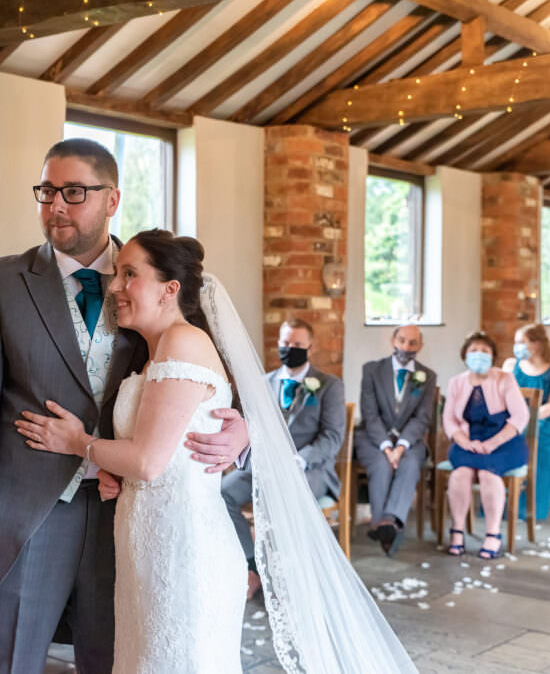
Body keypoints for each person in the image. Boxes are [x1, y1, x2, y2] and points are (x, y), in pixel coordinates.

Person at [21, 230, 416, 673]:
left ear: (170, 289)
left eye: (129, 274)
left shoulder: (182, 343)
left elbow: (149, 462)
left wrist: (79, 443)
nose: (114, 286)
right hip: (149, 543)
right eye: (117, 274)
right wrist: (116, 469)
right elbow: (158, 448)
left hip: (184, 549)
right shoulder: (150, 351)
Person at [0, 139, 249, 673]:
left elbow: (220, 379)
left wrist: (242, 433)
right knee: (3, 662)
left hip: (128, 519)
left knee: (118, 659)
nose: (55, 205)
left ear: (111, 199)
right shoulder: (2, 283)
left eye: (73, 192)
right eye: (46, 192)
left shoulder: (152, 286)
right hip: (30, 515)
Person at [221, 318, 345, 598]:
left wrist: (298, 461)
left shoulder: (329, 386)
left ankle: (289, 576)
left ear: (310, 348)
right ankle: (252, 566)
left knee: (280, 495)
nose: (290, 349)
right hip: (262, 468)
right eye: (285, 343)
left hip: (310, 469)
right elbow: (252, 431)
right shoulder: (262, 384)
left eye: (298, 345)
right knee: (221, 493)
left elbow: (332, 437)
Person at [443, 332, 529, 559]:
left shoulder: (505, 379)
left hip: (504, 442)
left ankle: (493, 534)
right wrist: (465, 442)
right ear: (465, 356)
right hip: (468, 441)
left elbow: (520, 417)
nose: (478, 355)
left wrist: (492, 443)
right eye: (473, 351)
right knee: (460, 474)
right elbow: (449, 420)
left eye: (485, 351)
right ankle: (457, 531)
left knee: (488, 474)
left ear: (493, 357)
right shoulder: (456, 382)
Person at [355, 325, 437, 556]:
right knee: (381, 464)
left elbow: (422, 418)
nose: (406, 347)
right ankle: (387, 526)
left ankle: (386, 523)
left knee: (410, 462)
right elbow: (369, 414)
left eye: (412, 343)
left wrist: (400, 447)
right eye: (402, 340)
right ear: (392, 340)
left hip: (410, 440)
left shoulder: (427, 376)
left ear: (420, 346)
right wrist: (386, 446)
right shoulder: (371, 370)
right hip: (373, 437)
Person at [501, 323, 550, 519]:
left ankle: (530, 508)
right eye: (516, 342)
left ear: (537, 344)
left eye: (522, 342)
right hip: (512, 419)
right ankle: (502, 503)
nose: (517, 346)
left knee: (542, 449)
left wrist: (527, 418)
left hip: (544, 419)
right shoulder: (510, 365)